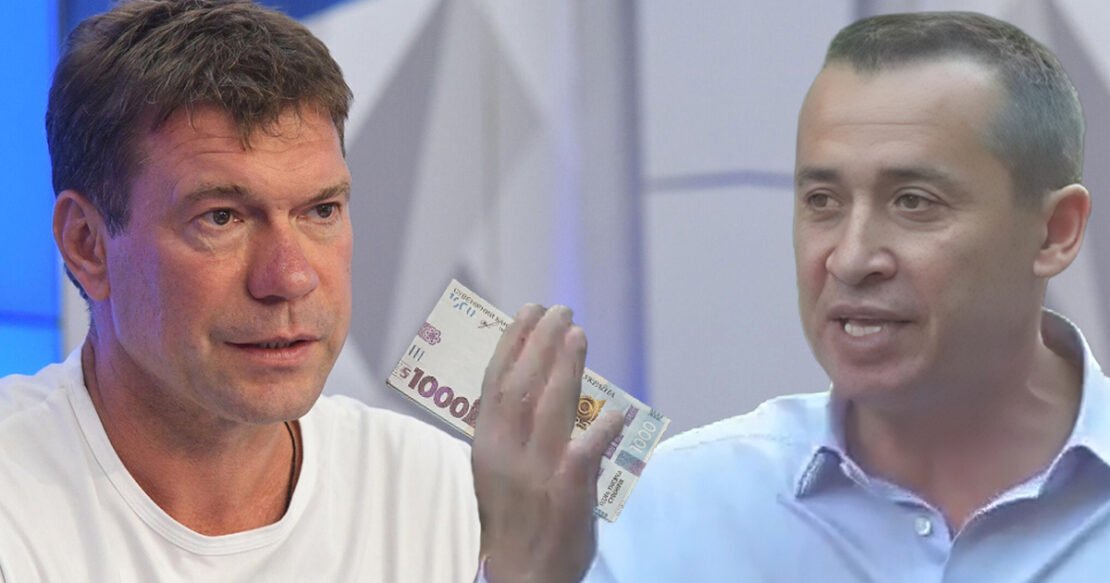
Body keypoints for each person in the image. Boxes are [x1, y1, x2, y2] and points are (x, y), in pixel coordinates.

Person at [0, 1, 620, 581]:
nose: (290, 277)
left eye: (321, 210)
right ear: (87, 244)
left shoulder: (442, 491)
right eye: (221, 217)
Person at [587, 11, 1110, 581]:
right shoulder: (667, 510)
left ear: (1055, 232)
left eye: (913, 201)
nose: (851, 259)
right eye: (822, 201)